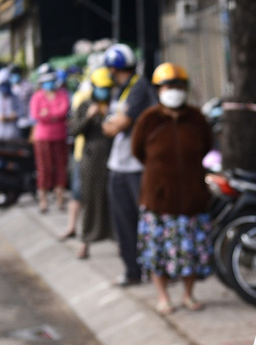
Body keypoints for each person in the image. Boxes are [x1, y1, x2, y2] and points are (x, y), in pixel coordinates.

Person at [131, 63, 214, 315]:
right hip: (159, 201)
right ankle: (163, 296)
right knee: (158, 253)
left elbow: (206, 146)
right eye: (168, 86)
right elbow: (137, 151)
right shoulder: (149, 119)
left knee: (191, 251)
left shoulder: (197, 118)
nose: (173, 91)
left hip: (193, 199)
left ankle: (188, 295)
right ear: (158, 90)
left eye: (178, 86)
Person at [101, 43, 157, 287]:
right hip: (118, 166)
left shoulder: (138, 88)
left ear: (115, 68)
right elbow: (112, 126)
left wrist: (111, 123)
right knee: (122, 222)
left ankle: (156, 270)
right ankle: (132, 270)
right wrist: (112, 123)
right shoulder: (119, 91)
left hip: (137, 167)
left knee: (146, 221)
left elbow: (116, 126)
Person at [63, 67, 114, 259]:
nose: (105, 91)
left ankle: (117, 240)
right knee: (89, 201)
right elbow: (74, 130)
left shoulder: (115, 105)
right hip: (90, 161)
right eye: (102, 87)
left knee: (112, 202)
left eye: (108, 87)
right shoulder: (85, 105)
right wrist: (89, 116)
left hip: (111, 161)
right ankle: (85, 243)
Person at [29, 64, 71, 213]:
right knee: (43, 168)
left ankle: (60, 199)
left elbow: (63, 110)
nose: (49, 83)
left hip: (60, 136)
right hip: (42, 138)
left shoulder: (62, 94)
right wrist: (52, 115)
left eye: (51, 80)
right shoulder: (37, 96)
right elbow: (37, 114)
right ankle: (44, 201)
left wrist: (48, 114)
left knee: (60, 168)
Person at [9, 64, 34, 139]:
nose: (15, 76)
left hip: (27, 120)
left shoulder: (28, 86)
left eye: (16, 73)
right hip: (13, 122)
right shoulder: (9, 87)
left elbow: (32, 103)